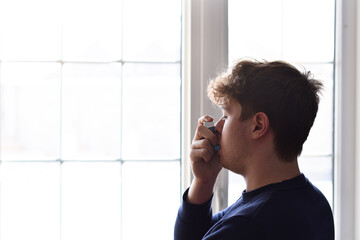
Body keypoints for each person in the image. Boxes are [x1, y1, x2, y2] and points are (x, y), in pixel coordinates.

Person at [174, 59, 334, 240]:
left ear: (258, 126)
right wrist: (203, 181)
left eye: (226, 116)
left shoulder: (246, 226)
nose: (217, 128)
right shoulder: (316, 204)